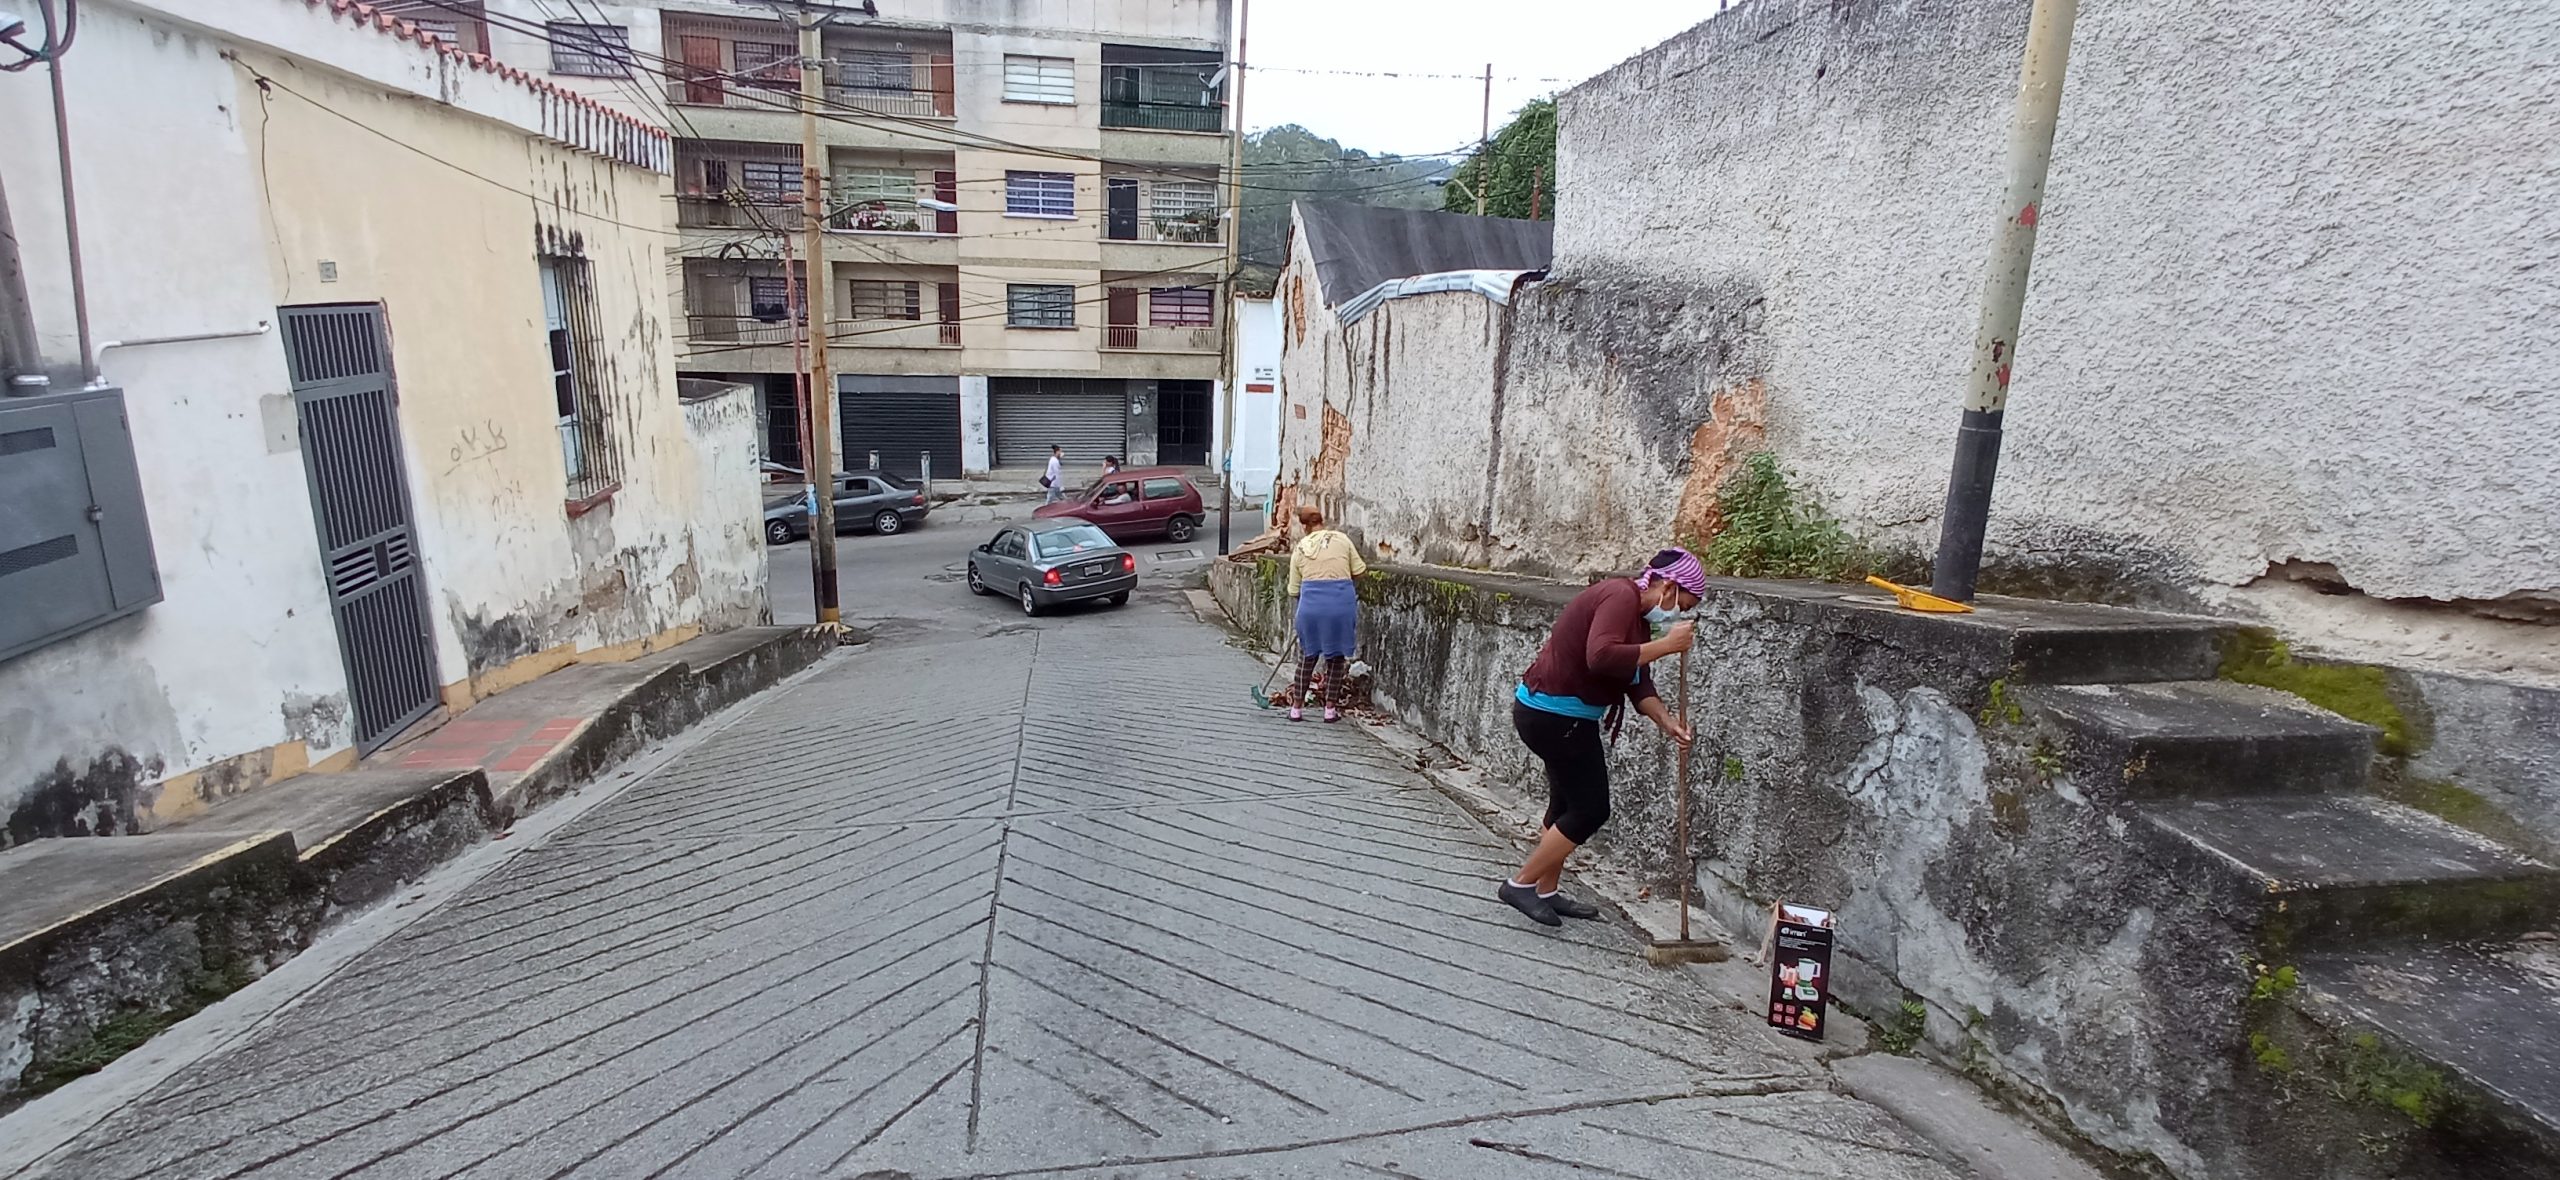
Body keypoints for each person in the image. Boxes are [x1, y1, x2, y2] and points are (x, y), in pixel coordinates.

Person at [1497, 547, 1705, 927]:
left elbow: (1638, 683)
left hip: (1558, 715)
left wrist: (1669, 723)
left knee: (1564, 806)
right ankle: (1520, 884)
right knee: (1591, 809)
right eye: (1684, 604)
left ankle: (1546, 890)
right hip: (1555, 715)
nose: (1681, 614)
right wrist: (1667, 646)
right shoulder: (1619, 596)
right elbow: (1601, 656)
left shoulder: (1639, 619)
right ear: (1670, 587)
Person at [1285, 506, 1366, 722]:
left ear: (1304, 526)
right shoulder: (1342, 539)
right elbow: (1359, 571)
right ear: (1323, 521)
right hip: (1340, 604)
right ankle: (1330, 710)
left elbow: (1293, 590)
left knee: (1308, 656)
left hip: (1311, 605)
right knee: (1336, 658)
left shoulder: (1301, 548)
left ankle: (1296, 708)